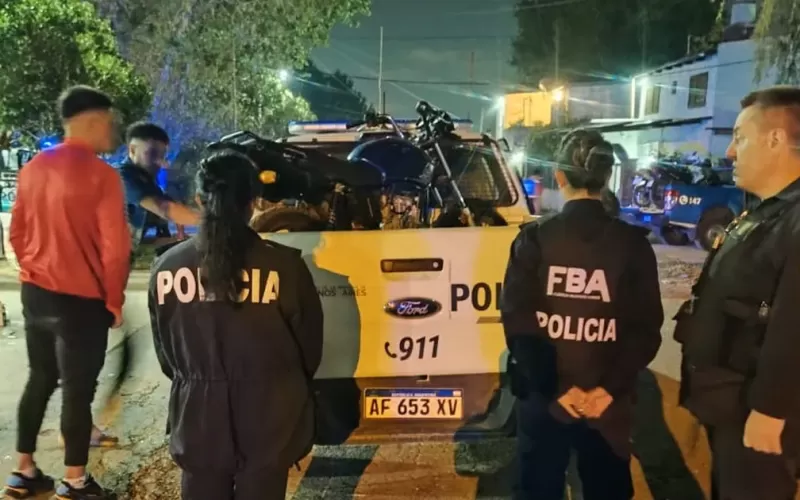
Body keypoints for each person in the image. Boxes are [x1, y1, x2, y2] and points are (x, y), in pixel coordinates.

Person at [147, 150, 323, 500]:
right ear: (254, 202)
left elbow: (166, 354)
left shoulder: (166, 268)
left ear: (200, 200)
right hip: (270, 414)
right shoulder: (284, 266)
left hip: (198, 415)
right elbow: (309, 349)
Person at [501, 129, 663, 500]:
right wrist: (608, 389)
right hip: (607, 405)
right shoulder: (633, 245)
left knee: (538, 489)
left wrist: (557, 388)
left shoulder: (534, 239)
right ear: (605, 178)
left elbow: (518, 322)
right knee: (607, 488)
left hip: (546, 401)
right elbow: (645, 330)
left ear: (559, 177)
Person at [2, 86, 130, 499]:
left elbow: (17, 233)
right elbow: (115, 249)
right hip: (82, 302)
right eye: (108, 122)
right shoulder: (102, 176)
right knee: (77, 390)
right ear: (92, 120)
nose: (112, 131)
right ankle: (74, 481)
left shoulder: (33, 169)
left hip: (36, 293)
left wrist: (34, 268)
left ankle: (23, 471)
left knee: (39, 378)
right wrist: (114, 300)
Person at [676, 86, 800, 500]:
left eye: (740, 138)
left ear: (775, 139)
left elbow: (793, 325)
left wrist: (770, 409)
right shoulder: (767, 211)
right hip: (733, 403)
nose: (730, 152)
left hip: (760, 416)